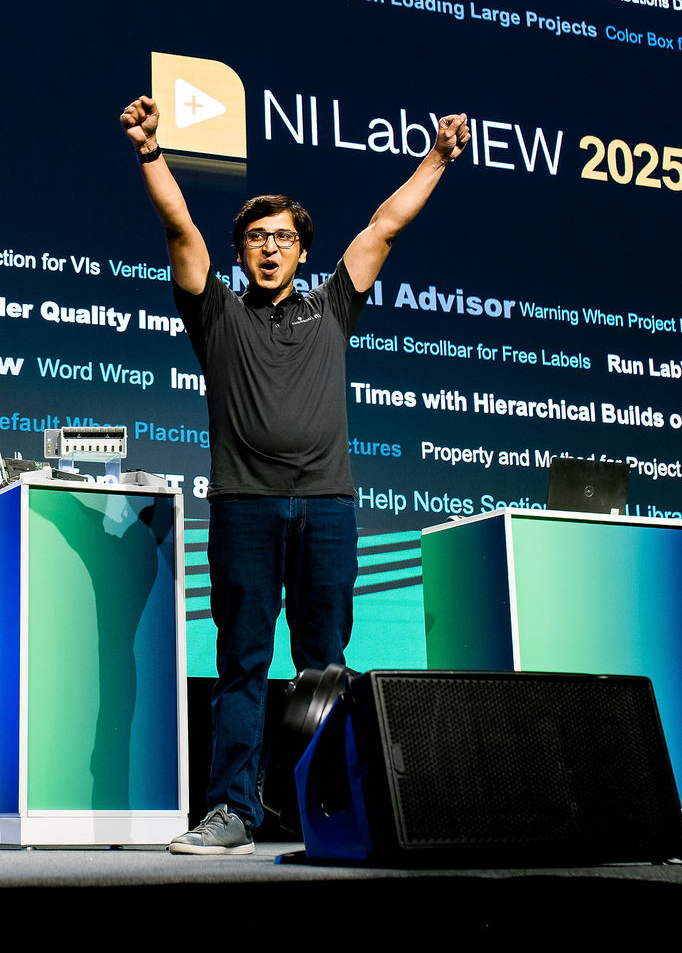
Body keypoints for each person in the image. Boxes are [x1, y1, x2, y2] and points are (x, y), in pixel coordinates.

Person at [118, 94, 470, 856]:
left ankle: (327, 807)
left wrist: (438, 158)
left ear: (302, 251)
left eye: (282, 237)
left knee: (326, 668)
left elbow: (384, 224)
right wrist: (152, 151)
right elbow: (180, 227)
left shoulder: (332, 305)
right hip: (246, 506)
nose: (269, 248)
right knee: (242, 662)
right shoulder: (215, 312)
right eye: (255, 238)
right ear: (240, 251)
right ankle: (232, 813)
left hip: (327, 506)